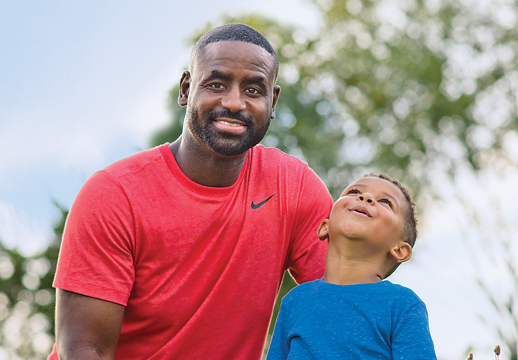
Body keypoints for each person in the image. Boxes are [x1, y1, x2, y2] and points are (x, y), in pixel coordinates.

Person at [49, 23, 333, 360]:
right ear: (186, 89)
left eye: (253, 90)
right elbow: (85, 349)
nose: (234, 103)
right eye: (216, 84)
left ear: (272, 102)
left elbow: (347, 301)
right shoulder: (114, 193)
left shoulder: (294, 187)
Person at [266, 174, 437, 360]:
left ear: (399, 250)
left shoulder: (402, 305)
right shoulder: (294, 301)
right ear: (325, 226)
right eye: (355, 192)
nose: (365, 198)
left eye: (386, 202)